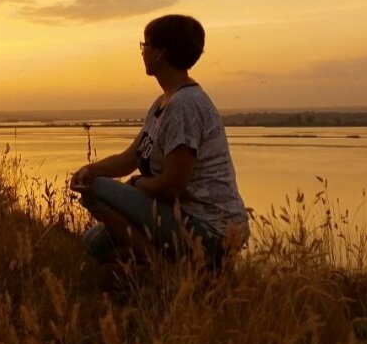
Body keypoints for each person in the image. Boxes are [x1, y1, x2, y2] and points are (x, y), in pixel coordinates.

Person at [69, 14, 249, 271]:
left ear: (161, 52)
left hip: (211, 229)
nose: (142, 52)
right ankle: (178, 267)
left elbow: (171, 186)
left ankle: (162, 275)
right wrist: (91, 170)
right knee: (95, 242)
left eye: (146, 45)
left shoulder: (185, 106)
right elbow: (130, 158)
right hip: (180, 218)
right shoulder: (163, 103)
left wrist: (135, 184)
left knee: (96, 191)